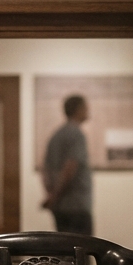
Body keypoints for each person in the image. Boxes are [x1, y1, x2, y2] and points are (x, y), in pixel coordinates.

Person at [42, 94, 93, 235]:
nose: (88, 111)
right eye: (86, 108)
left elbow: (45, 169)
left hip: (60, 207)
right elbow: (70, 167)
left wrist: (50, 195)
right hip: (76, 206)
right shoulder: (76, 134)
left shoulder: (56, 135)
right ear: (79, 109)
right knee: (81, 251)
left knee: (64, 251)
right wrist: (55, 195)